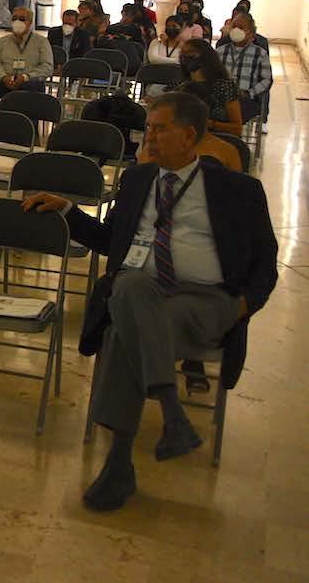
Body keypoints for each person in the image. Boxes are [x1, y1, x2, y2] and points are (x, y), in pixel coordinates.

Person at [23, 92, 277, 512]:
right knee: (130, 291)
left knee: (126, 317)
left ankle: (120, 463)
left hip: (207, 301)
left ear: (189, 136)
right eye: (148, 129)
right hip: (145, 294)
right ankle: (165, 420)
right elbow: (112, 241)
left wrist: (242, 307)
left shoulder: (238, 190)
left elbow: (266, 264)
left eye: (160, 129)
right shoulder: (138, 181)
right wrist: (68, 209)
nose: (149, 138)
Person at [0, 5, 54, 109]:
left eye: (22, 19)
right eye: (14, 19)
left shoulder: (41, 42)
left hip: (30, 82)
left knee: (32, 86)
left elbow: (47, 67)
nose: (17, 22)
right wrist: (4, 77)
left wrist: (26, 77)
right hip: (6, 81)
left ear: (30, 22)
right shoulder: (2, 42)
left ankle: (28, 119)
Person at [215, 12, 272, 129]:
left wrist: (249, 93)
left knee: (231, 113)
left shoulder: (260, 54)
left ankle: (230, 132)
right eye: (234, 26)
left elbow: (267, 80)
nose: (236, 30)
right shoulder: (220, 51)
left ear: (250, 32)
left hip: (246, 100)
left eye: (240, 27)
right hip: (221, 97)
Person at [174, 40, 242, 135]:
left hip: (217, 136)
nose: (185, 56)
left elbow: (237, 128)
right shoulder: (182, 86)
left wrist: (209, 124)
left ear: (205, 56)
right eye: (182, 53)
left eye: (190, 53)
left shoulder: (225, 86)